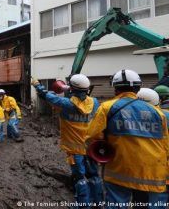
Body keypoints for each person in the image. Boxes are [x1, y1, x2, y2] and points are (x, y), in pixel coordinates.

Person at [87, 69, 168, 207]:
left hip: (119, 170)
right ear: (138, 88)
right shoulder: (157, 112)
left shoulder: (107, 107)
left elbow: (92, 138)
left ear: (115, 88)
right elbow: (165, 144)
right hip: (150, 172)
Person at [32, 74, 103, 205]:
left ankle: (83, 204)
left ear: (72, 89)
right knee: (94, 175)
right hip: (91, 147)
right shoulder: (95, 102)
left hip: (75, 150)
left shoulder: (64, 104)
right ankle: (98, 202)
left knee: (80, 178)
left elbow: (45, 95)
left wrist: (37, 85)